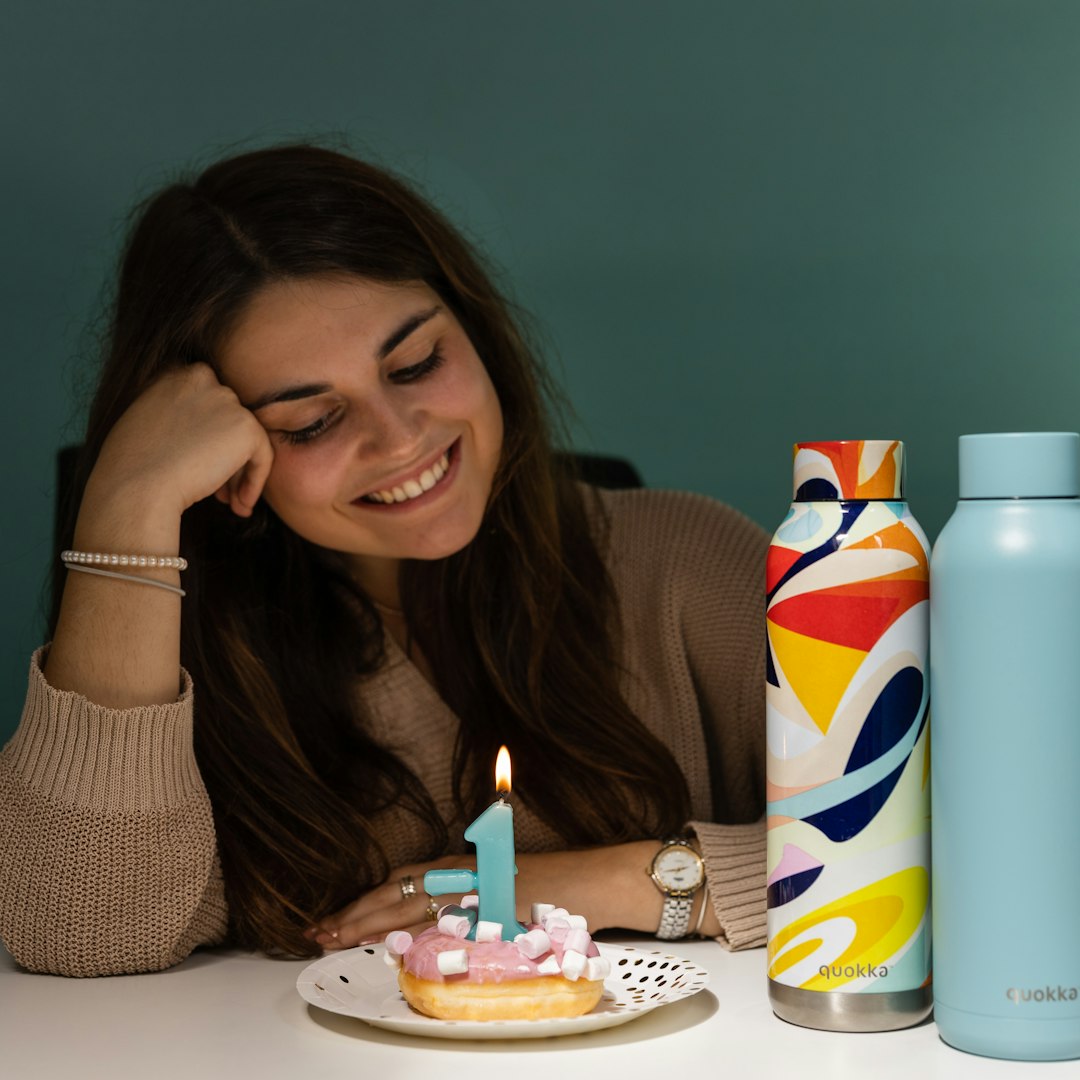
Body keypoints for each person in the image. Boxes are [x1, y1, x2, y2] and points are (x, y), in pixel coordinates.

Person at [0, 144, 767, 978]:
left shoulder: (695, 564)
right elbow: (77, 935)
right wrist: (123, 500)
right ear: (222, 451)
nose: (399, 438)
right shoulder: (182, 644)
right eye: (310, 422)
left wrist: (586, 882)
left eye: (416, 364)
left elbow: (908, 846)